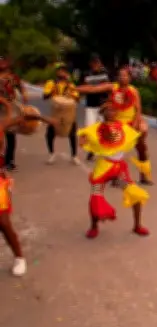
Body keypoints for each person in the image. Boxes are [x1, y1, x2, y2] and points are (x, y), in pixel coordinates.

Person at [78, 103, 150, 239]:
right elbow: (82, 141)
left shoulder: (124, 128)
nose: (112, 112)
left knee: (134, 193)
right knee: (96, 194)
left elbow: (138, 139)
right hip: (103, 167)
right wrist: (84, 139)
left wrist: (143, 131)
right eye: (108, 110)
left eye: (114, 110)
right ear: (103, 112)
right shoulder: (95, 129)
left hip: (119, 170)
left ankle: (137, 226)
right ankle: (93, 226)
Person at [78, 67, 154, 185]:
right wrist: (75, 88)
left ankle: (144, 176)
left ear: (130, 78)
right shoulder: (112, 87)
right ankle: (115, 176)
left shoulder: (134, 90)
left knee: (142, 149)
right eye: (120, 75)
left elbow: (138, 109)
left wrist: (135, 124)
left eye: (125, 75)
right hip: (117, 124)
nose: (122, 77)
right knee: (115, 151)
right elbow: (94, 89)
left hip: (131, 123)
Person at [0, 97, 48, 276]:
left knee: (3, 223)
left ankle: (19, 257)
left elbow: (25, 119)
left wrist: (41, 119)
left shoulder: (3, 125)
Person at [43, 65, 81, 166]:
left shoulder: (71, 85)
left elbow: (77, 99)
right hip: (56, 111)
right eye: (59, 71)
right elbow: (45, 96)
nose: (61, 73)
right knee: (50, 134)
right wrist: (52, 90)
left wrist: (71, 93)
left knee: (72, 133)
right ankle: (51, 154)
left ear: (66, 73)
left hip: (68, 111)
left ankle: (74, 156)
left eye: (63, 71)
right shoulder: (51, 83)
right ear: (57, 73)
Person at [79, 54, 110, 161]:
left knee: (103, 129)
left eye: (97, 62)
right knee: (90, 128)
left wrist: (92, 88)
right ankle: (92, 149)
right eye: (94, 63)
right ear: (90, 64)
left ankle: (104, 150)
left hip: (103, 105)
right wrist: (95, 88)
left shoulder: (105, 73)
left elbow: (107, 87)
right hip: (90, 105)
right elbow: (82, 88)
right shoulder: (86, 74)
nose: (96, 65)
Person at [0, 56, 27, 172]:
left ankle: (9, 160)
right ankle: (2, 159)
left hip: (11, 105)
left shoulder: (13, 77)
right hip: (1, 106)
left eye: (4, 62)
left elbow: (21, 87)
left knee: (11, 135)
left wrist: (24, 93)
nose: (3, 64)